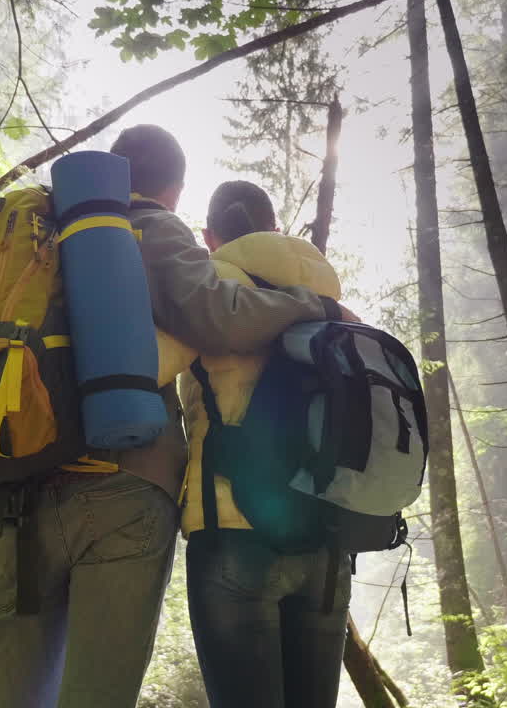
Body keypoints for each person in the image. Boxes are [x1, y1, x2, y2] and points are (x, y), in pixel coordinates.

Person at [0, 126, 353, 708]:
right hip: (123, 485)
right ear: (175, 190)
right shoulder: (153, 226)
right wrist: (318, 307)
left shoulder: (36, 231)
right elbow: (216, 319)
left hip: (16, 487)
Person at [177, 180, 352, 708]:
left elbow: (146, 368)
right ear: (276, 227)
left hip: (231, 528)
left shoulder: (209, 286)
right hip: (327, 535)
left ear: (210, 236)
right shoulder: (329, 297)